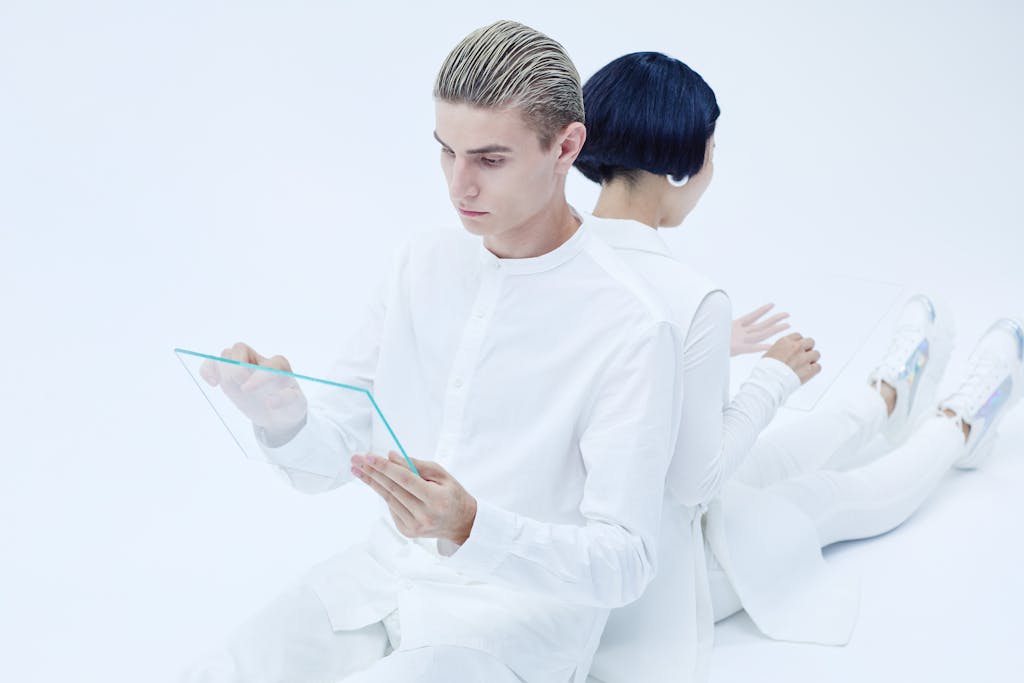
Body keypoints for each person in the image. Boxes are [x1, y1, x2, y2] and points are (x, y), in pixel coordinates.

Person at [182, 23, 694, 683]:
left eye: (490, 159)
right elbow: (334, 454)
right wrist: (286, 420)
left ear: (567, 145)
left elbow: (623, 561)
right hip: (374, 584)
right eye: (446, 152)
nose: (459, 186)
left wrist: (473, 525)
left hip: (506, 629)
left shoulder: (630, 326)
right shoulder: (420, 264)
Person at [572, 51, 1024, 682]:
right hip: (659, 581)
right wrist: (774, 377)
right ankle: (961, 424)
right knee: (826, 495)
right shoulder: (687, 294)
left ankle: (885, 397)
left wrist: (699, 348)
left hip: (588, 542)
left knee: (789, 453)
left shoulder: (556, 256)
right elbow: (696, 483)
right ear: (682, 164)